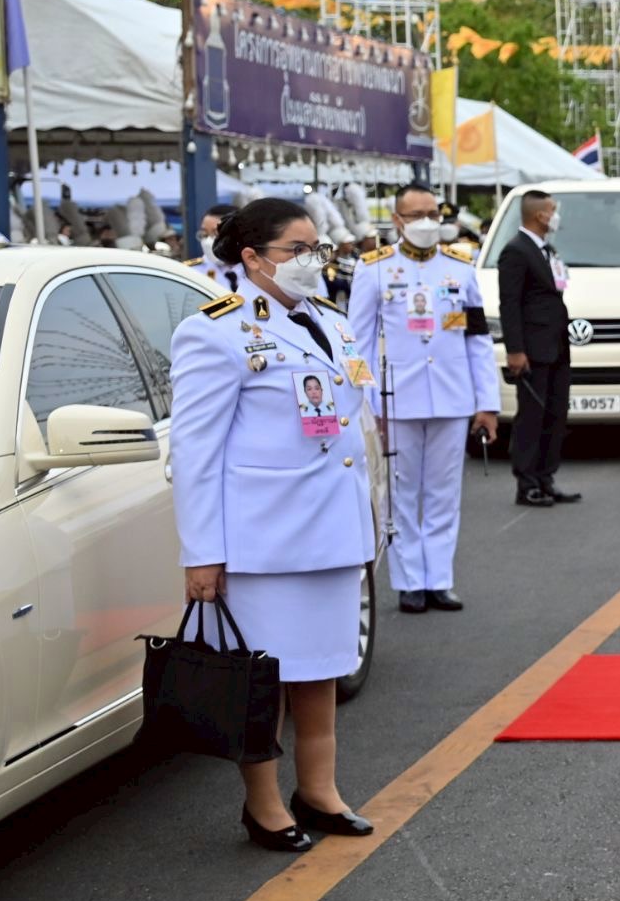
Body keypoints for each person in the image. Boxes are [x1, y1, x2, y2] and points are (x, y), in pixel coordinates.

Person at [169, 197, 380, 854]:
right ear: (253, 257)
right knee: (261, 681)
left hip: (333, 530)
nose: (312, 260)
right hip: (265, 540)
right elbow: (195, 452)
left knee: (321, 670)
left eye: (318, 249)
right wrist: (202, 552)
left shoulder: (332, 322)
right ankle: (263, 806)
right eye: (297, 250)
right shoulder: (215, 331)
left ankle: (319, 790)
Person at [349, 184, 499, 614]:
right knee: (400, 493)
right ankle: (410, 581)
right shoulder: (374, 269)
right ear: (397, 220)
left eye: (433, 213)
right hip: (396, 401)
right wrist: (366, 406)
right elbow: (357, 345)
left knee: (443, 492)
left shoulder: (460, 267)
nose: (427, 222)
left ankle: (440, 579)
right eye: (416, 215)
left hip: (452, 397)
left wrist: (486, 402)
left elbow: (477, 340)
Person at [496, 189, 577, 507]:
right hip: (532, 350)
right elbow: (509, 304)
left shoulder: (546, 250)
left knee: (555, 415)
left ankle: (546, 478)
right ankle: (527, 483)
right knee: (531, 417)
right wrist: (515, 350)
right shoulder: (516, 251)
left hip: (556, 347)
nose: (556, 216)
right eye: (552, 210)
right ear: (540, 215)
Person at [184, 205, 241, 289]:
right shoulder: (191, 272)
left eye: (215, 233)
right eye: (205, 234)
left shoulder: (255, 269)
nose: (208, 241)